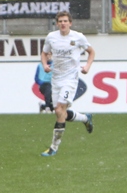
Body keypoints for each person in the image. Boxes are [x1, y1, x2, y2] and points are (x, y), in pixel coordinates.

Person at [40, 10, 95, 157]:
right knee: (60, 112)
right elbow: (44, 53)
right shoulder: (51, 37)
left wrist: (87, 66)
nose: (63, 23)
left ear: (70, 23)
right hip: (56, 79)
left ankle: (53, 148)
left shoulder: (78, 37)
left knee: (59, 110)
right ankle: (85, 118)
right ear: (57, 24)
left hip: (70, 79)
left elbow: (91, 52)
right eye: (60, 21)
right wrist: (45, 65)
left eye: (65, 21)